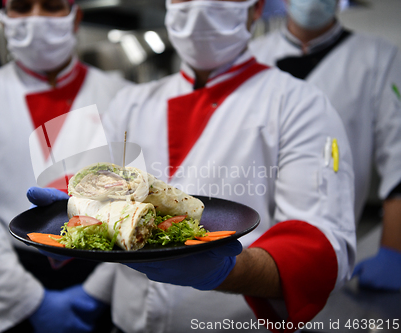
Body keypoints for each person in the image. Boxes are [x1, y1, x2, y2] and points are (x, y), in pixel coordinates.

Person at [28, 0, 357, 332]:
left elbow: (321, 250)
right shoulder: (130, 104)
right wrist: (92, 287)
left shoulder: (301, 106)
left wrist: (228, 270)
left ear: (255, 8)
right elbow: (123, 233)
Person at [0, 0, 129, 332]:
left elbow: (140, 202)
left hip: (109, 267)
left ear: (75, 17)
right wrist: (29, 302)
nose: (36, 19)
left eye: (52, 6)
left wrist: (97, 293)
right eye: (22, 7)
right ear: (5, 18)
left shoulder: (124, 98)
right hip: (10, 277)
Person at [249, 0, 401, 291]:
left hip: (328, 243)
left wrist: (394, 250)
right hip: (248, 239)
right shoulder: (253, 56)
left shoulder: (378, 57)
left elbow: (399, 158)